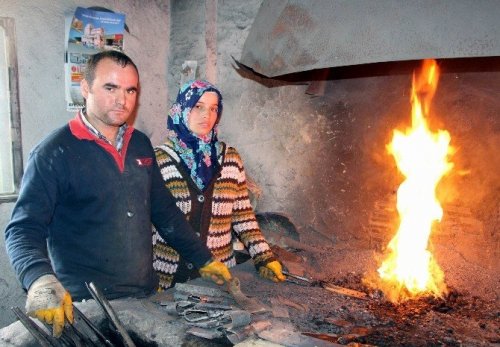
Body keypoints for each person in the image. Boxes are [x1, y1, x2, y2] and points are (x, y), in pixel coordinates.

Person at [4, 51, 231, 337]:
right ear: (85, 88)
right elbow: (22, 229)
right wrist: (39, 279)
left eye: (130, 90)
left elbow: (164, 212)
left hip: (143, 297)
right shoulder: (54, 153)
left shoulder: (140, 144)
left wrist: (203, 259)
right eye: (110, 88)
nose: (122, 100)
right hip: (84, 306)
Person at [152, 79, 286, 290]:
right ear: (182, 108)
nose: (207, 115)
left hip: (220, 278)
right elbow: (148, 224)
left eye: (214, 109)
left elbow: (243, 216)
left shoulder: (230, 158)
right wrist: (148, 278)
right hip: (169, 278)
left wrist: (264, 257)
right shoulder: (159, 159)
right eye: (198, 106)